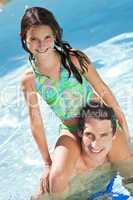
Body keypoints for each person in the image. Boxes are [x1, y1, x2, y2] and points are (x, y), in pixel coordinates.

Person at [20, 6, 131, 197]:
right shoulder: (30, 79)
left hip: (98, 122)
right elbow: (35, 121)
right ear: (25, 39)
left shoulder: (74, 60)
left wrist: (120, 120)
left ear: (55, 34)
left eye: (47, 37)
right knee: (56, 179)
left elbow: (102, 89)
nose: (42, 44)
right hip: (70, 129)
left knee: (128, 167)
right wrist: (47, 163)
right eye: (34, 39)